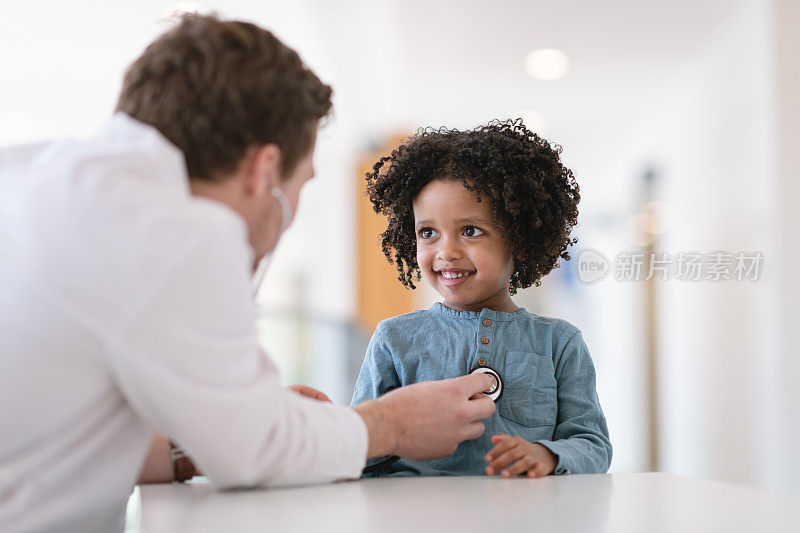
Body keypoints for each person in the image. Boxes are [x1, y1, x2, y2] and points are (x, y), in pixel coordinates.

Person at [0, 15, 496, 533]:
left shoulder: (40, 179)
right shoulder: (178, 228)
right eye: (302, 182)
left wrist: (187, 443)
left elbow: (49, 441)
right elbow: (255, 449)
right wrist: (393, 423)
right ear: (263, 170)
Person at [351, 121, 612, 477]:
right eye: (428, 232)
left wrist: (548, 455)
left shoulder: (559, 343)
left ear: (519, 239)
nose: (446, 251)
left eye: (470, 231)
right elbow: (359, 449)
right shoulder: (393, 340)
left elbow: (593, 444)